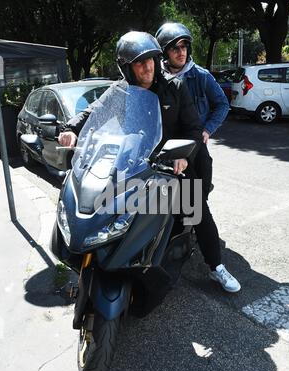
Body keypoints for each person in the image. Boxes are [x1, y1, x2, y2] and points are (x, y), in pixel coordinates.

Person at [59, 31, 240, 293]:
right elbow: (94, 111)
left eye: (151, 60)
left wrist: (182, 156)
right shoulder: (120, 91)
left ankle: (216, 267)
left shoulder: (174, 88)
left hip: (171, 163)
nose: (148, 67)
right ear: (127, 68)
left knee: (195, 209)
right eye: (139, 62)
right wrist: (72, 129)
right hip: (134, 161)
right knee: (109, 204)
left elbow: (193, 129)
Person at [156, 22, 230, 199]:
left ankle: (198, 213)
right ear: (165, 52)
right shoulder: (156, 77)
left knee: (202, 173)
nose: (181, 52)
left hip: (193, 138)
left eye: (184, 47)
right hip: (165, 140)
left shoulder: (201, 75)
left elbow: (222, 104)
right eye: (175, 48)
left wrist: (207, 129)